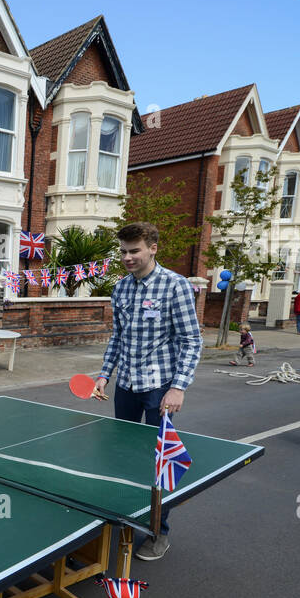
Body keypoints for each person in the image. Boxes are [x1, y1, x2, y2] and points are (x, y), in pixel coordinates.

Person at [92, 221, 203, 560]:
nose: (127, 257)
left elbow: (191, 340)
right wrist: (104, 374)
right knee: (123, 456)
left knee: (159, 463)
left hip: (160, 390)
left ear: (153, 247)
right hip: (126, 385)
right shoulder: (121, 288)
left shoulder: (176, 286)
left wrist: (178, 388)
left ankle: (159, 532)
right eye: (123, 252)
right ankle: (125, 516)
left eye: (134, 251)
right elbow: (118, 337)